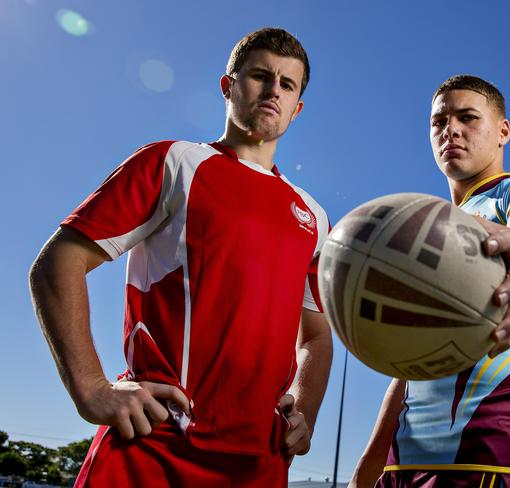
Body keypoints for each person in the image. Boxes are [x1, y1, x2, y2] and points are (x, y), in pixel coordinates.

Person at [29, 28, 333, 487]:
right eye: (259, 76)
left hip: (259, 464)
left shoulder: (314, 215)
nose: (274, 90)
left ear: (298, 107)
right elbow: (58, 263)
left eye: (287, 85)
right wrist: (91, 388)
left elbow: (315, 335)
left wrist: (304, 408)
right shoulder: (174, 162)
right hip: (154, 448)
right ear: (228, 86)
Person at [350, 75, 510, 488]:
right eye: (438, 122)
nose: (450, 129)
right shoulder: (430, 223)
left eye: (468, 117)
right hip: (403, 468)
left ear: (503, 131)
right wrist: (368, 467)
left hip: (498, 459)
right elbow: (408, 368)